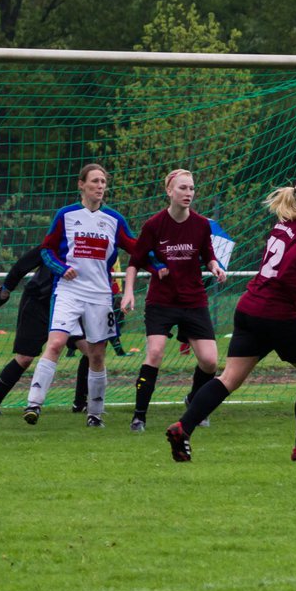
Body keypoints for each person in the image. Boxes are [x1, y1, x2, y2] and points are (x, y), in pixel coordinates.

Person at [166, 174, 296, 463]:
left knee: (229, 378)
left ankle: (183, 427)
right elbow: (283, 277)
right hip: (275, 316)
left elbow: (278, 271)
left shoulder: (284, 225)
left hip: (249, 309)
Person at [24, 163, 137, 427]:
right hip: (68, 291)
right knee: (55, 343)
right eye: (95, 181)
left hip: (100, 295)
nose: (100, 186)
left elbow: (136, 248)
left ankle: (95, 413)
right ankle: (33, 404)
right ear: (81, 184)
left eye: (103, 182)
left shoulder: (115, 220)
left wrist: (161, 263)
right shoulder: (65, 215)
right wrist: (61, 269)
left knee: (97, 354)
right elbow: (46, 251)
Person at [120, 169, 228, 433]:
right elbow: (134, 262)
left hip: (193, 300)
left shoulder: (202, 224)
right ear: (169, 191)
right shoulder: (154, 225)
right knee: (155, 352)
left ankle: (194, 401)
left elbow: (208, 255)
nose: (188, 193)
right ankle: (139, 416)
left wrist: (215, 266)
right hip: (162, 301)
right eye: (182, 188)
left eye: (191, 188)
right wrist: (129, 292)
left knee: (210, 361)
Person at [0, 247, 91, 415]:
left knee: (92, 352)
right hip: (38, 303)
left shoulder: (90, 247)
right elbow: (21, 266)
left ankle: (80, 404)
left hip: (69, 306)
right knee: (25, 358)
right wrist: (6, 290)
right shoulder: (54, 244)